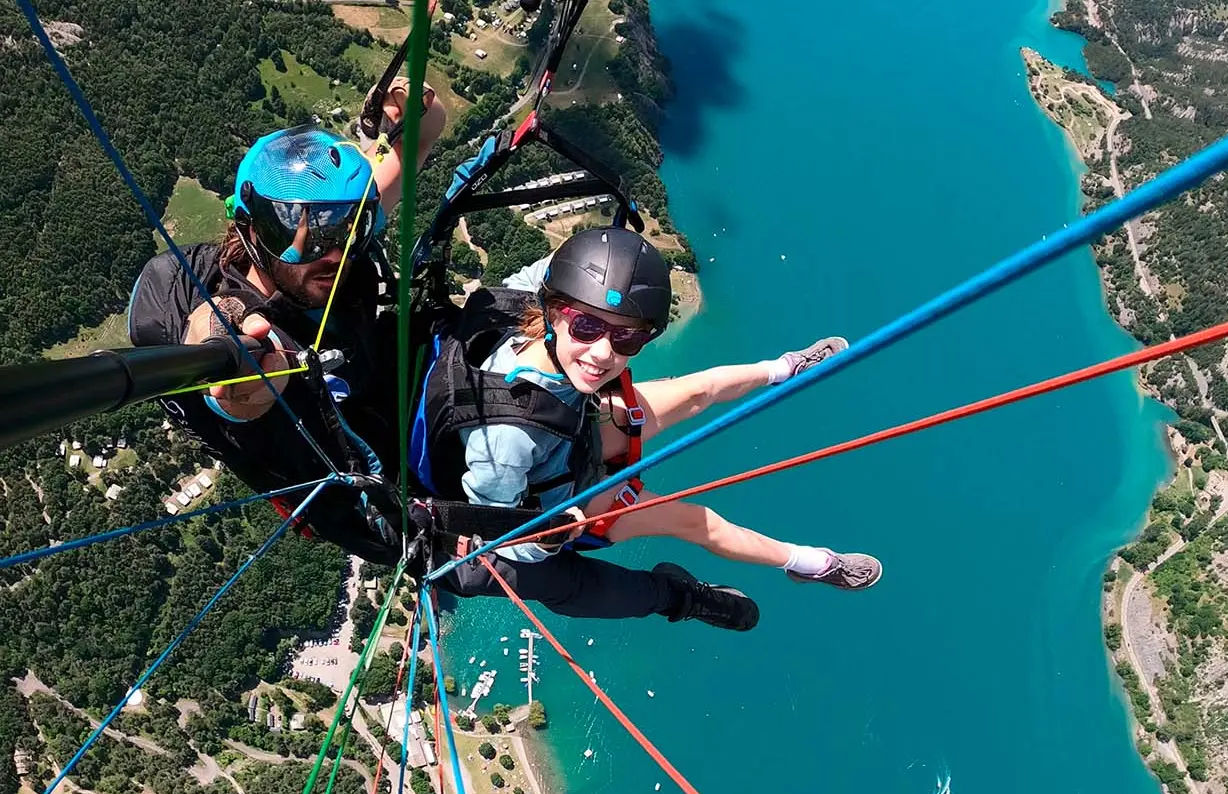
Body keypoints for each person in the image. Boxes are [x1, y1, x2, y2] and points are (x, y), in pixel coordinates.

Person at [423, 227, 882, 631]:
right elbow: (497, 537)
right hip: (562, 497)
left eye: (628, 337)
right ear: (555, 313)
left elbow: (554, 272)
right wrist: (552, 538)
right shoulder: (505, 442)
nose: (603, 353)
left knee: (698, 390)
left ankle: (785, 369)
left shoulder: (523, 304)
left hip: (571, 430)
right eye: (587, 327)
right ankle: (811, 563)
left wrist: (616, 252)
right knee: (695, 521)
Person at [128, 76, 447, 562]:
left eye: (348, 226)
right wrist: (231, 379)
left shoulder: (332, 242)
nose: (332, 253)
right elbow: (219, 363)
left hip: (394, 413)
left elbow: (422, 139)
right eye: (304, 230)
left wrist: (414, 105)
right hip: (372, 504)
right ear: (251, 230)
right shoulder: (237, 307)